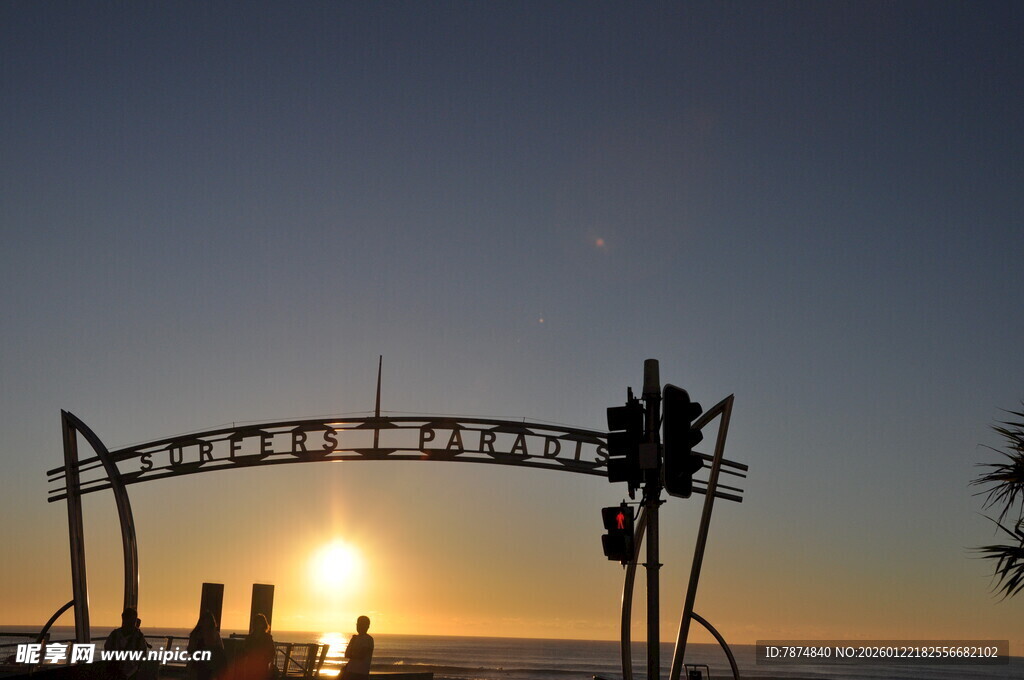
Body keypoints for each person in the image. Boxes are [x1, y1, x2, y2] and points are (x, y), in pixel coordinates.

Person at [103, 607, 149, 679]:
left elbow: (107, 650)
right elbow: (142, 656)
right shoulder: (138, 637)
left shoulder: (115, 634)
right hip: (127, 673)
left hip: (120, 672)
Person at [187, 610, 226, 680]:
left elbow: (190, 649)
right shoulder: (215, 634)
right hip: (209, 663)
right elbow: (221, 649)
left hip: (199, 663)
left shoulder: (196, 634)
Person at [240, 613, 276, 680]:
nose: (258, 625)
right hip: (254, 666)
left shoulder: (250, 638)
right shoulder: (267, 637)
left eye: (260, 623)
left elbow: (272, 652)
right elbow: (272, 653)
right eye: (257, 623)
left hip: (258, 666)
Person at [341, 616, 373, 680]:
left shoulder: (368, 639)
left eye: (362, 624)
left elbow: (361, 655)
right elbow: (347, 654)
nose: (359, 626)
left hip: (361, 673)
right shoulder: (354, 638)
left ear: (367, 626)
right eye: (358, 624)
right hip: (350, 671)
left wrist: (352, 654)